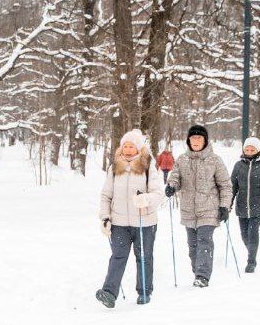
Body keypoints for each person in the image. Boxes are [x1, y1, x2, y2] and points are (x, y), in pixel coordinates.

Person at [95, 130, 164, 307]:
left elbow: (158, 193)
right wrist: (105, 217)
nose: (127, 149)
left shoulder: (148, 165)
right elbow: (106, 195)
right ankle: (109, 293)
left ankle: (144, 292)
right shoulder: (114, 167)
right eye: (125, 146)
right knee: (118, 256)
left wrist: (145, 199)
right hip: (119, 223)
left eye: (131, 146)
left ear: (138, 148)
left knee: (144, 257)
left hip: (144, 222)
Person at [164, 124, 232, 287]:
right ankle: (198, 271)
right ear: (188, 140)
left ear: (205, 141)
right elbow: (175, 177)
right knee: (193, 245)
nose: (196, 141)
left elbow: (225, 185)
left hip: (208, 208)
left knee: (204, 241)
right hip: (188, 210)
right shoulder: (182, 159)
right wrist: (172, 186)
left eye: (199, 138)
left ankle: (202, 275)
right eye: (193, 138)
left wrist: (224, 206)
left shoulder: (215, 160)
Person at [229, 136, 260, 273]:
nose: (249, 152)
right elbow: (232, 187)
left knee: (253, 232)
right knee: (244, 235)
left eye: (252, 149)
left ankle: (251, 261)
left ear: (258, 150)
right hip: (241, 206)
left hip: (258, 206)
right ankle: (252, 251)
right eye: (247, 149)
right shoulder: (238, 165)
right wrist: (228, 203)